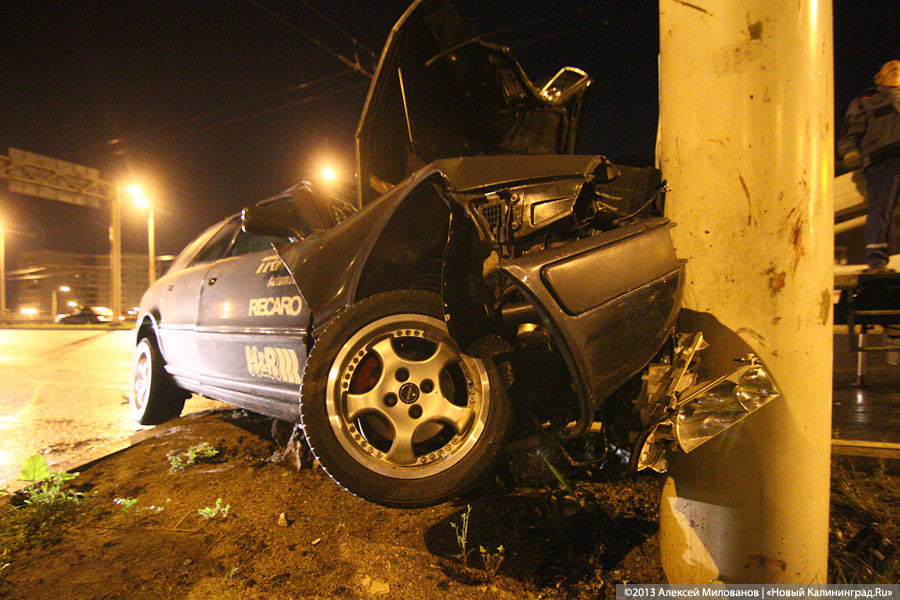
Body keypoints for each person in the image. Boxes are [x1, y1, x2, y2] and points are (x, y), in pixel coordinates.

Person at [838, 59, 900, 272]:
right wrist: (850, 152)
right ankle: (876, 260)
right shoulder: (866, 100)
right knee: (881, 208)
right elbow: (850, 132)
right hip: (884, 159)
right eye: (889, 67)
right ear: (879, 78)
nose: (895, 67)